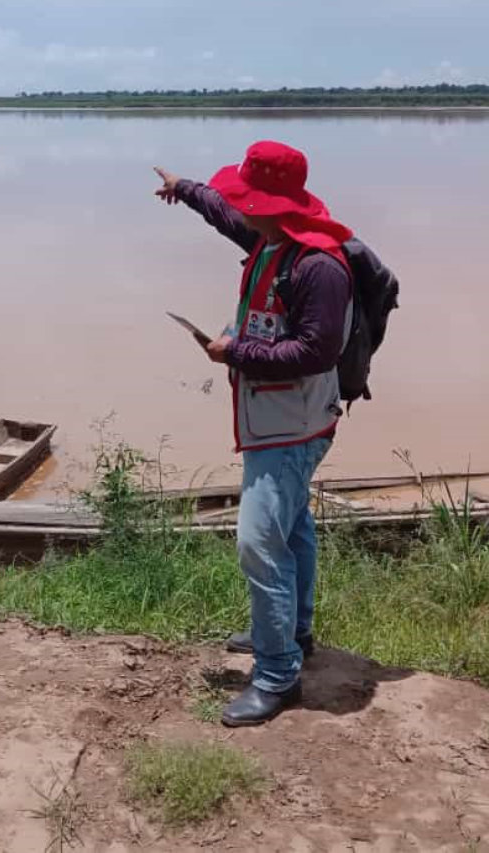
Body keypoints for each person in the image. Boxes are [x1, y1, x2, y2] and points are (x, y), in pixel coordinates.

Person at [154, 141, 353, 727]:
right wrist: (185, 188)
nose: (238, 209)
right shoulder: (271, 241)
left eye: (246, 199)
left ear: (270, 205)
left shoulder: (316, 266)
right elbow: (224, 214)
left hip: (293, 425)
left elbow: (318, 351)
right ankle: (296, 631)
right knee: (292, 531)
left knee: (258, 542)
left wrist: (233, 350)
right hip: (274, 418)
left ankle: (275, 675)